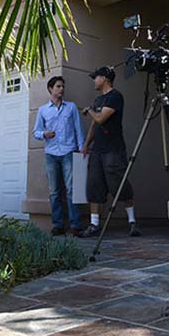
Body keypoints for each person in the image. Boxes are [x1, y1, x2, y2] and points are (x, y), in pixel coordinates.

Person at [79, 66, 141, 237]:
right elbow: (94, 125)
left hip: (113, 150)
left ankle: (132, 222)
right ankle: (94, 224)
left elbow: (100, 118)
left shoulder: (115, 96)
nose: (94, 80)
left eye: (96, 77)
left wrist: (89, 110)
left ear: (105, 78)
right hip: (97, 150)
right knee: (94, 186)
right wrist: (86, 145)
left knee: (119, 184)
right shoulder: (98, 100)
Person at [33, 76, 85, 236]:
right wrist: (45, 134)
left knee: (72, 190)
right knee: (54, 191)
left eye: (62, 86)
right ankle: (58, 225)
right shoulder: (43, 110)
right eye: (58, 86)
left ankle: (75, 225)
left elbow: (78, 129)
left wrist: (82, 149)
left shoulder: (71, 107)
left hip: (68, 151)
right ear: (50, 89)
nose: (61, 89)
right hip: (51, 154)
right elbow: (35, 132)